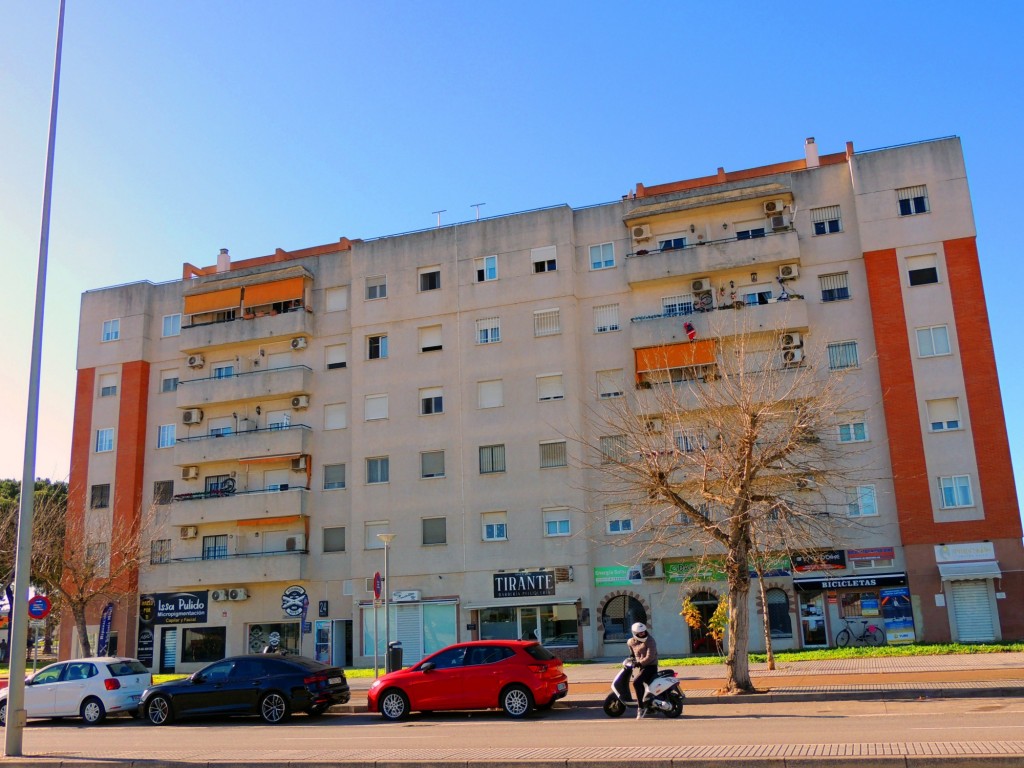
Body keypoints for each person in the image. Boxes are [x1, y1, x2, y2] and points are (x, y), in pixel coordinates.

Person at [626, 622, 658, 719]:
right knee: (642, 685)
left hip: (651, 666)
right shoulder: (630, 642)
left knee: (636, 683)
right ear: (634, 633)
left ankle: (641, 707)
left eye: (644, 632)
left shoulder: (650, 640)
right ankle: (650, 706)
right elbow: (632, 654)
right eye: (640, 633)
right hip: (642, 667)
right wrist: (629, 660)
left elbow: (650, 657)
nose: (643, 634)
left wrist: (639, 663)